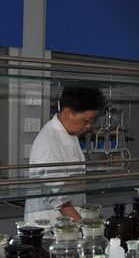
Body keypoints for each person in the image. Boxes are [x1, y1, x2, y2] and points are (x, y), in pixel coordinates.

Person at [24, 86, 105, 225]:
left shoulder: (69, 134)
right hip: (49, 227)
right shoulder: (49, 143)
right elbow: (59, 200)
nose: (88, 126)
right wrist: (85, 227)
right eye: (86, 121)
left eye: (91, 121)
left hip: (66, 225)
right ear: (67, 113)